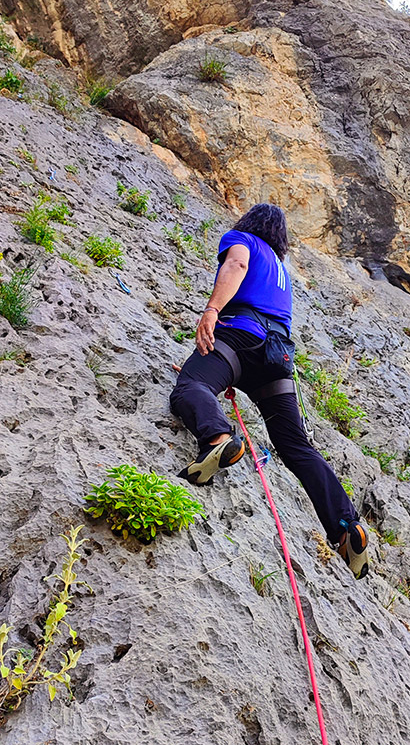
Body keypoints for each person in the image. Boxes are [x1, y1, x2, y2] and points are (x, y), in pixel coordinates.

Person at [170, 203, 370, 579]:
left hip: (239, 337)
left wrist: (212, 309)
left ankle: (216, 438)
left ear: (250, 224)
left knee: (191, 386)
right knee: (296, 447)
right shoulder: (281, 270)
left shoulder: (242, 241)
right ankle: (346, 528)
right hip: (277, 356)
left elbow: (237, 265)